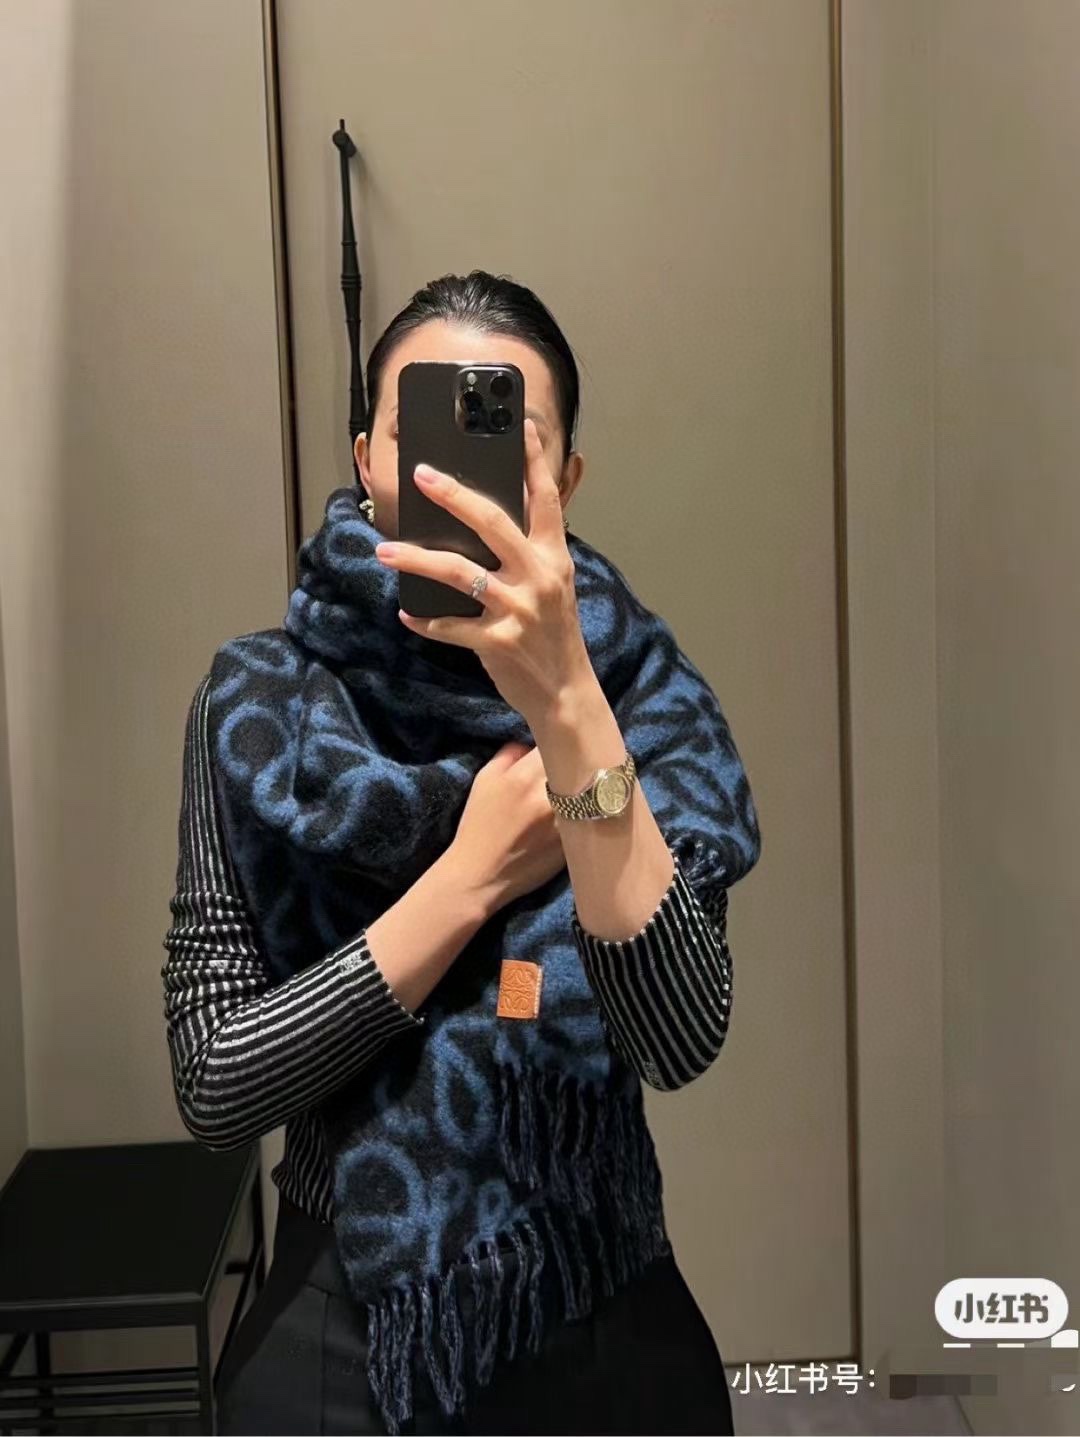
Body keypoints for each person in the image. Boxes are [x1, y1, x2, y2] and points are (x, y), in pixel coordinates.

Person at [161, 270, 760, 1435]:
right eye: (420, 435)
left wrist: (568, 704)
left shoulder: (639, 699)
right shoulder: (261, 706)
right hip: (343, 1327)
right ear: (368, 461)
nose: (453, 477)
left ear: (564, 479)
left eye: (504, 438)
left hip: (600, 1302)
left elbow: (679, 1034)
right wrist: (472, 875)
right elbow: (216, 1080)